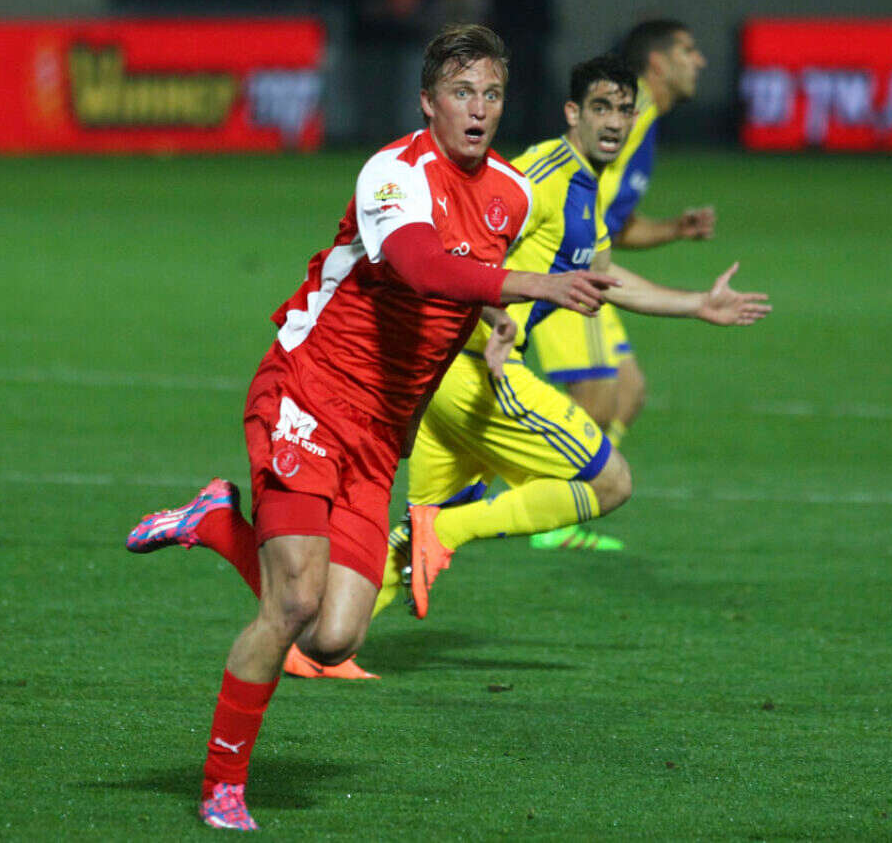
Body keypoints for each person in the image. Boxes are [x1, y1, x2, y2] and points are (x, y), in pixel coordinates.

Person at [125, 25, 617, 831]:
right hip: (309, 392)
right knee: (291, 603)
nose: (479, 109)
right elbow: (422, 266)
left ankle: (215, 522)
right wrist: (528, 286)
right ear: (428, 101)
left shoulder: (511, 193)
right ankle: (222, 785)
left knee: (333, 637)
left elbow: (457, 295)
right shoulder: (393, 173)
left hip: (379, 433)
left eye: (492, 94)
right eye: (462, 92)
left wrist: (485, 328)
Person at [139, 55, 769, 680]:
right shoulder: (536, 177)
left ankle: (312, 628)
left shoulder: (585, 188)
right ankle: (438, 534)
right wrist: (500, 319)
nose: (613, 122)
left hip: (434, 380)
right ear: (571, 113)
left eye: (624, 111)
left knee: (341, 615)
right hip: (473, 374)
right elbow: (451, 253)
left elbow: (597, 275)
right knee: (609, 482)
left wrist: (696, 304)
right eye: (600, 107)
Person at [527, 20, 710, 552]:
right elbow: (579, 197)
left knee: (628, 392)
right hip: (563, 267)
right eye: (688, 50)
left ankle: (573, 494)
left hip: (591, 263)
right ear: (658, 63)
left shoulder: (644, 124)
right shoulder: (633, 116)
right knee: (597, 400)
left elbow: (615, 226)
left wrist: (674, 229)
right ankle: (549, 509)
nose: (699, 61)